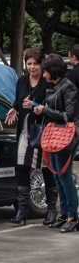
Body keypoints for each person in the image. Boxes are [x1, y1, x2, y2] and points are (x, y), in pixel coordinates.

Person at [5, 49, 58, 226]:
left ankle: (51, 209)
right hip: (25, 130)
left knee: (46, 168)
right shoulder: (21, 81)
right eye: (29, 64)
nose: (32, 67)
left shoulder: (47, 82)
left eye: (35, 63)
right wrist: (15, 108)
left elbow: (52, 105)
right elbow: (18, 100)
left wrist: (35, 105)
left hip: (43, 130)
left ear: (41, 64)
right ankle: (21, 209)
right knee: (21, 167)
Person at [33, 53, 79, 232]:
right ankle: (65, 213)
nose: (43, 75)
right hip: (54, 135)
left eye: (45, 71)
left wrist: (45, 110)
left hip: (65, 137)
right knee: (58, 177)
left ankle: (72, 216)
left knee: (64, 177)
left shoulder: (69, 88)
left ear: (52, 71)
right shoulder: (55, 86)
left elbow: (69, 116)